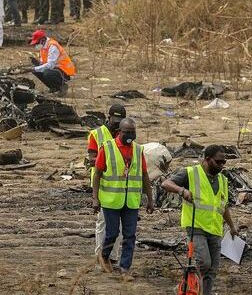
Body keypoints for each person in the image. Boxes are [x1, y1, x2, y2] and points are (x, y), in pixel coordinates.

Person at [160, 145, 239, 295]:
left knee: (212, 270)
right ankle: (188, 286)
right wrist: (182, 190)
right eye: (218, 162)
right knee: (203, 263)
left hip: (215, 229)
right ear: (207, 160)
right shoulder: (191, 173)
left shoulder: (222, 179)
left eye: (224, 162)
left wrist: (232, 226)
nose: (222, 165)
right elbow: (166, 183)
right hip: (196, 225)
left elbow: (223, 207)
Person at [92, 118, 154, 279]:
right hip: (111, 200)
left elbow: (145, 175)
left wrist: (150, 199)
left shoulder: (138, 150)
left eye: (133, 132)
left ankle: (124, 267)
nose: (131, 135)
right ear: (120, 132)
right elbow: (97, 174)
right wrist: (95, 199)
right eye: (127, 132)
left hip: (131, 201)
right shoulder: (107, 148)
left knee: (130, 235)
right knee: (112, 233)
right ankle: (104, 257)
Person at [87, 104, 127, 265]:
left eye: (120, 121)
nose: (116, 124)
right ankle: (100, 256)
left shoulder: (125, 134)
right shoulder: (96, 134)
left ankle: (113, 256)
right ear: (108, 117)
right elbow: (92, 159)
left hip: (121, 185)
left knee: (120, 224)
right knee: (103, 221)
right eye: (114, 120)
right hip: (102, 183)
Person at [25, 30, 76, 96]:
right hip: (56, 69)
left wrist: (35, 68)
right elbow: (43, 63)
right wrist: (36, 65)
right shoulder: (43, 47)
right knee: (37, 70)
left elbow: (50, 65)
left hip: (65, 71)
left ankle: (61, 86)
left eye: (37, 43)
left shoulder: (52, 46)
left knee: (46, 73)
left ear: (42, 39)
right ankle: (53, 88)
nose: (36, 45)